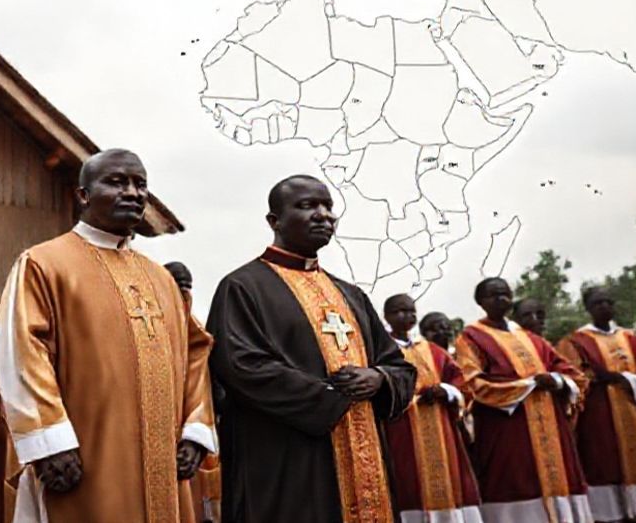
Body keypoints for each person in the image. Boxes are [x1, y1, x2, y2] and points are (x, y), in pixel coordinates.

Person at [0, 148, 216, 522]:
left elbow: (195, 354)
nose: (132, 192)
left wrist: (195, 432)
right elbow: (22, 351)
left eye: (140, 184)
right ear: (83, 195)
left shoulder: (160, 278)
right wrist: (50, 441)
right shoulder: (44, 263)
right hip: (84, 452)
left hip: (164, 460)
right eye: (116, 182)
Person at [206, 174, 416, 522]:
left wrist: (379, 379)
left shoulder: (351, 294)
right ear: (274, 221)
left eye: (328, 206)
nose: (323, 215)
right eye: (307, 206)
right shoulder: (243, 287)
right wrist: (332, 395)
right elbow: (240, 366)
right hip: (287, 455)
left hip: (366, 454)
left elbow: (398, 364)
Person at [455, 277, 591, 522]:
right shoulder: (472, 336)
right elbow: (473, 382)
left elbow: (573, 374)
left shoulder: (530, 337)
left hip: (550, 423)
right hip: (509, 426)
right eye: (493, 295)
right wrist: (528, 385)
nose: (501, 299)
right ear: (480, 301)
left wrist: (557, 382)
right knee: (516, 483)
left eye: (505, 294)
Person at [383, 294, 482, 522]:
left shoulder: (431, 350)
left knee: (450, 482)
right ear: (386, 316)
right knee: (410, 484)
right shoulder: (382, 349)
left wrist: (445, 390)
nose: (406, 316)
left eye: (411, 311)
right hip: (404, 429)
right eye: (399, 311)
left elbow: (461, 383)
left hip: (442, 429)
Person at [557, 287, 636, 523]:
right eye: (598, 302)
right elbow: (573, 374)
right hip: (599, 413)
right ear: (588, 308)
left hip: (635, 410)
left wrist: (628, 379)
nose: (605, 306)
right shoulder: (576, 342)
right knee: (605, 464)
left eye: (609, 301)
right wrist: (593, 378)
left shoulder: (629, 338)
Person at [165, 261, 222, 523]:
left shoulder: (199, 336)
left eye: (187, 289)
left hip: (198, 434)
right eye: (176, 288)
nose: (182, 296)